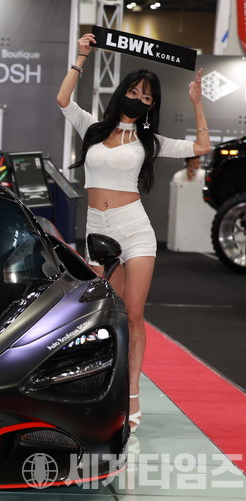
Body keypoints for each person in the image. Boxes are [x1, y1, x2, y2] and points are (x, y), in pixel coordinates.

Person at [56, 33, 211, 433]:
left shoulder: (149, 141)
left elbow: (201, 147)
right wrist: (80, 58)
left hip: (134, 229)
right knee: (107, 315)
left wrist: (196, 102)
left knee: (135, 313)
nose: (138, 98)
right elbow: (63, 100)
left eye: (146, 96)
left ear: (151, 105)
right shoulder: (93, 129)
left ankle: (133, 391)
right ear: (122, 92)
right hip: (97, 231)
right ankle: (105, 385)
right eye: (134, 91)